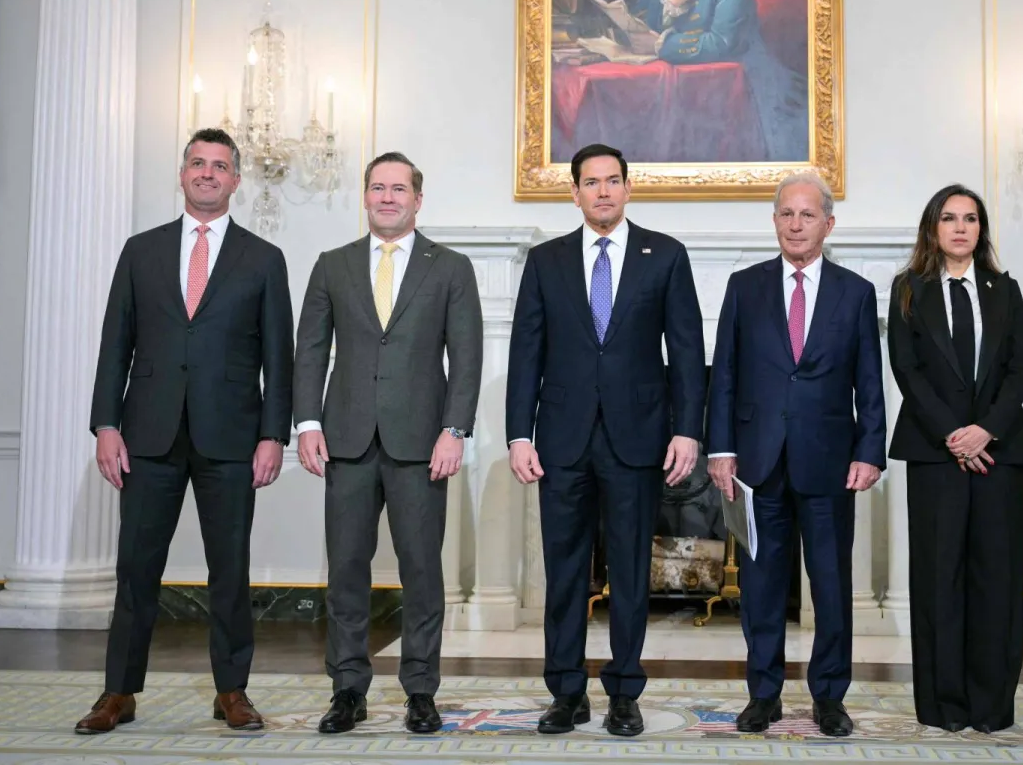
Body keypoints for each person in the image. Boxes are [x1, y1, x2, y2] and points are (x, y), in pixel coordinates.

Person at [79, 128, 293, 735]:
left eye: (219, 166)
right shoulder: (139, 251)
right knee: (136, 568)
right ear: (182, 174)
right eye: (197, 164)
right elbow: (114, 344)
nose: (207, 174)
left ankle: (232, 691)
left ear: (235, 181)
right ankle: (118, 692)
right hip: (147, 434)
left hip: (231, 437)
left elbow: (280, 358)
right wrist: (105, 424)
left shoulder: (263, 259)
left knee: (230, 569)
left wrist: (273, 434)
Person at [505, 142, 705, 737]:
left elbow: (688, 353)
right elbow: (525, 354)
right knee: (564, 572)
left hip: (638, 439)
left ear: (627, 186)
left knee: (629, 567)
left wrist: (687, 430)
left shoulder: (664, 255)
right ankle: (566, 692)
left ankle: (624, 690)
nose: (602, 191)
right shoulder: (545, 260)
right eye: (590, 182)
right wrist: (520, 433)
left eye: (612, 180)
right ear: (574, 192)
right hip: (561, 441)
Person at [293, 152, 483, 735]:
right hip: (345, 442)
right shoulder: (332, 265)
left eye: (399, 189)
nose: (387, 198)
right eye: (377, 188)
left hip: (422, 445)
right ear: (366, 197)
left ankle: (420, 691)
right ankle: (348, 689)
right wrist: (306, 424)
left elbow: (467, 356)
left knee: (422, 572)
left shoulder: (450, 267)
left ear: (418, 199)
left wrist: (455, 431)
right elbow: (310, 351)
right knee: (346, 570)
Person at [706, 170, 886, 738]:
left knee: (830, 583)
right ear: (775, 220)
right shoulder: (745, 286)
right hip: (757, 463)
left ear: (828, 224)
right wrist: (721, 449)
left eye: (808, 215)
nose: (796, 224)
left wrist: (870, 451)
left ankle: (829, 698)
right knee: (760, 586)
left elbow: (869, 382)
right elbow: (725, 375)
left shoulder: (856, 292)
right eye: (787, 213)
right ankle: (764, 694)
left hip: (831, 462)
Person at [886, 184, 1023, 733]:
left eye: (970, 219)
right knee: (938, 579)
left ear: (981, 229)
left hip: (997, 453)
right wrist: (954, 434)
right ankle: (943, 705)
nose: (960, 228)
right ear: (933, 228)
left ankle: (991, 706)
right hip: (934, 453)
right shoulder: (908, 289)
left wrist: (985, 432)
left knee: (995, 580)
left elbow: (1019, 369)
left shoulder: (1005, 289)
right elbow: (908, 371)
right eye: (949, 218)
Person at [632, 0, 808, 162]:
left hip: (744, 83)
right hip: (686, 84)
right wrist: (673, 1)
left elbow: (722, 43)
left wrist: (661, 45)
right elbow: (643, 24)